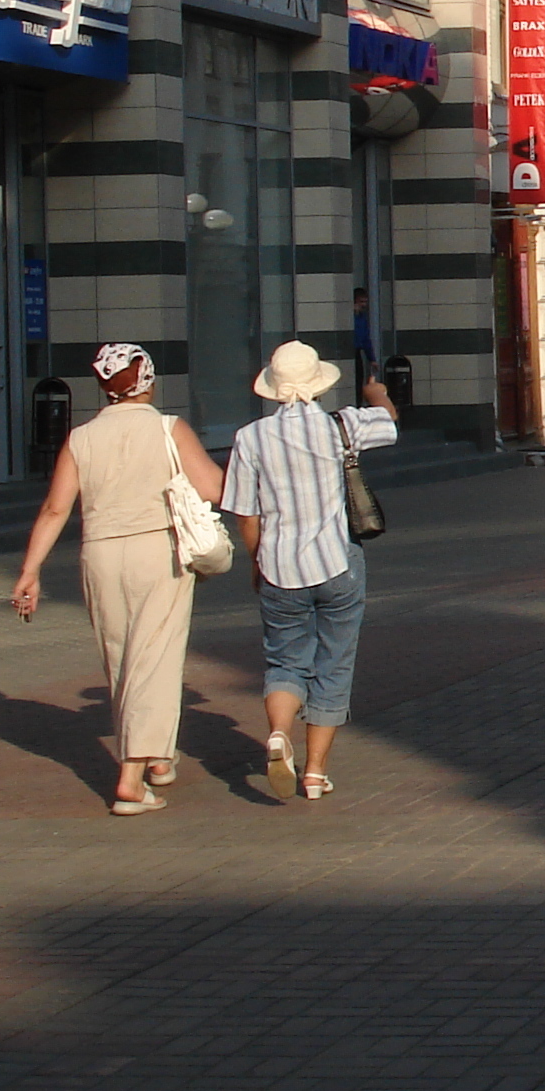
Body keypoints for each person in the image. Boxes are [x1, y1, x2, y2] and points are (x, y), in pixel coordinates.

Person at [9, 344, 228, 815]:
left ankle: (157, 760)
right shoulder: (170, 428)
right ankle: (131, 775)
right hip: (157, 550)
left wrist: (30, 571)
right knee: (156, 658)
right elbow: (214, 488)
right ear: (147, 380)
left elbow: (54, 509)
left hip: (100, 553)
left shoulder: (80, 438)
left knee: (121, 656)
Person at [222, 339, 401, 802]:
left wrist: (257, 561)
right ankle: (316, 773)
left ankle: (279, 732)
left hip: (280, 565)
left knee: (285, 660)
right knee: (334, 665)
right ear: (318, 385)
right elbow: (390, 425)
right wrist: (377, 394)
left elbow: (245, 512)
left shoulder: (250, 438)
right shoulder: (340, 426)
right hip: (337, 562)